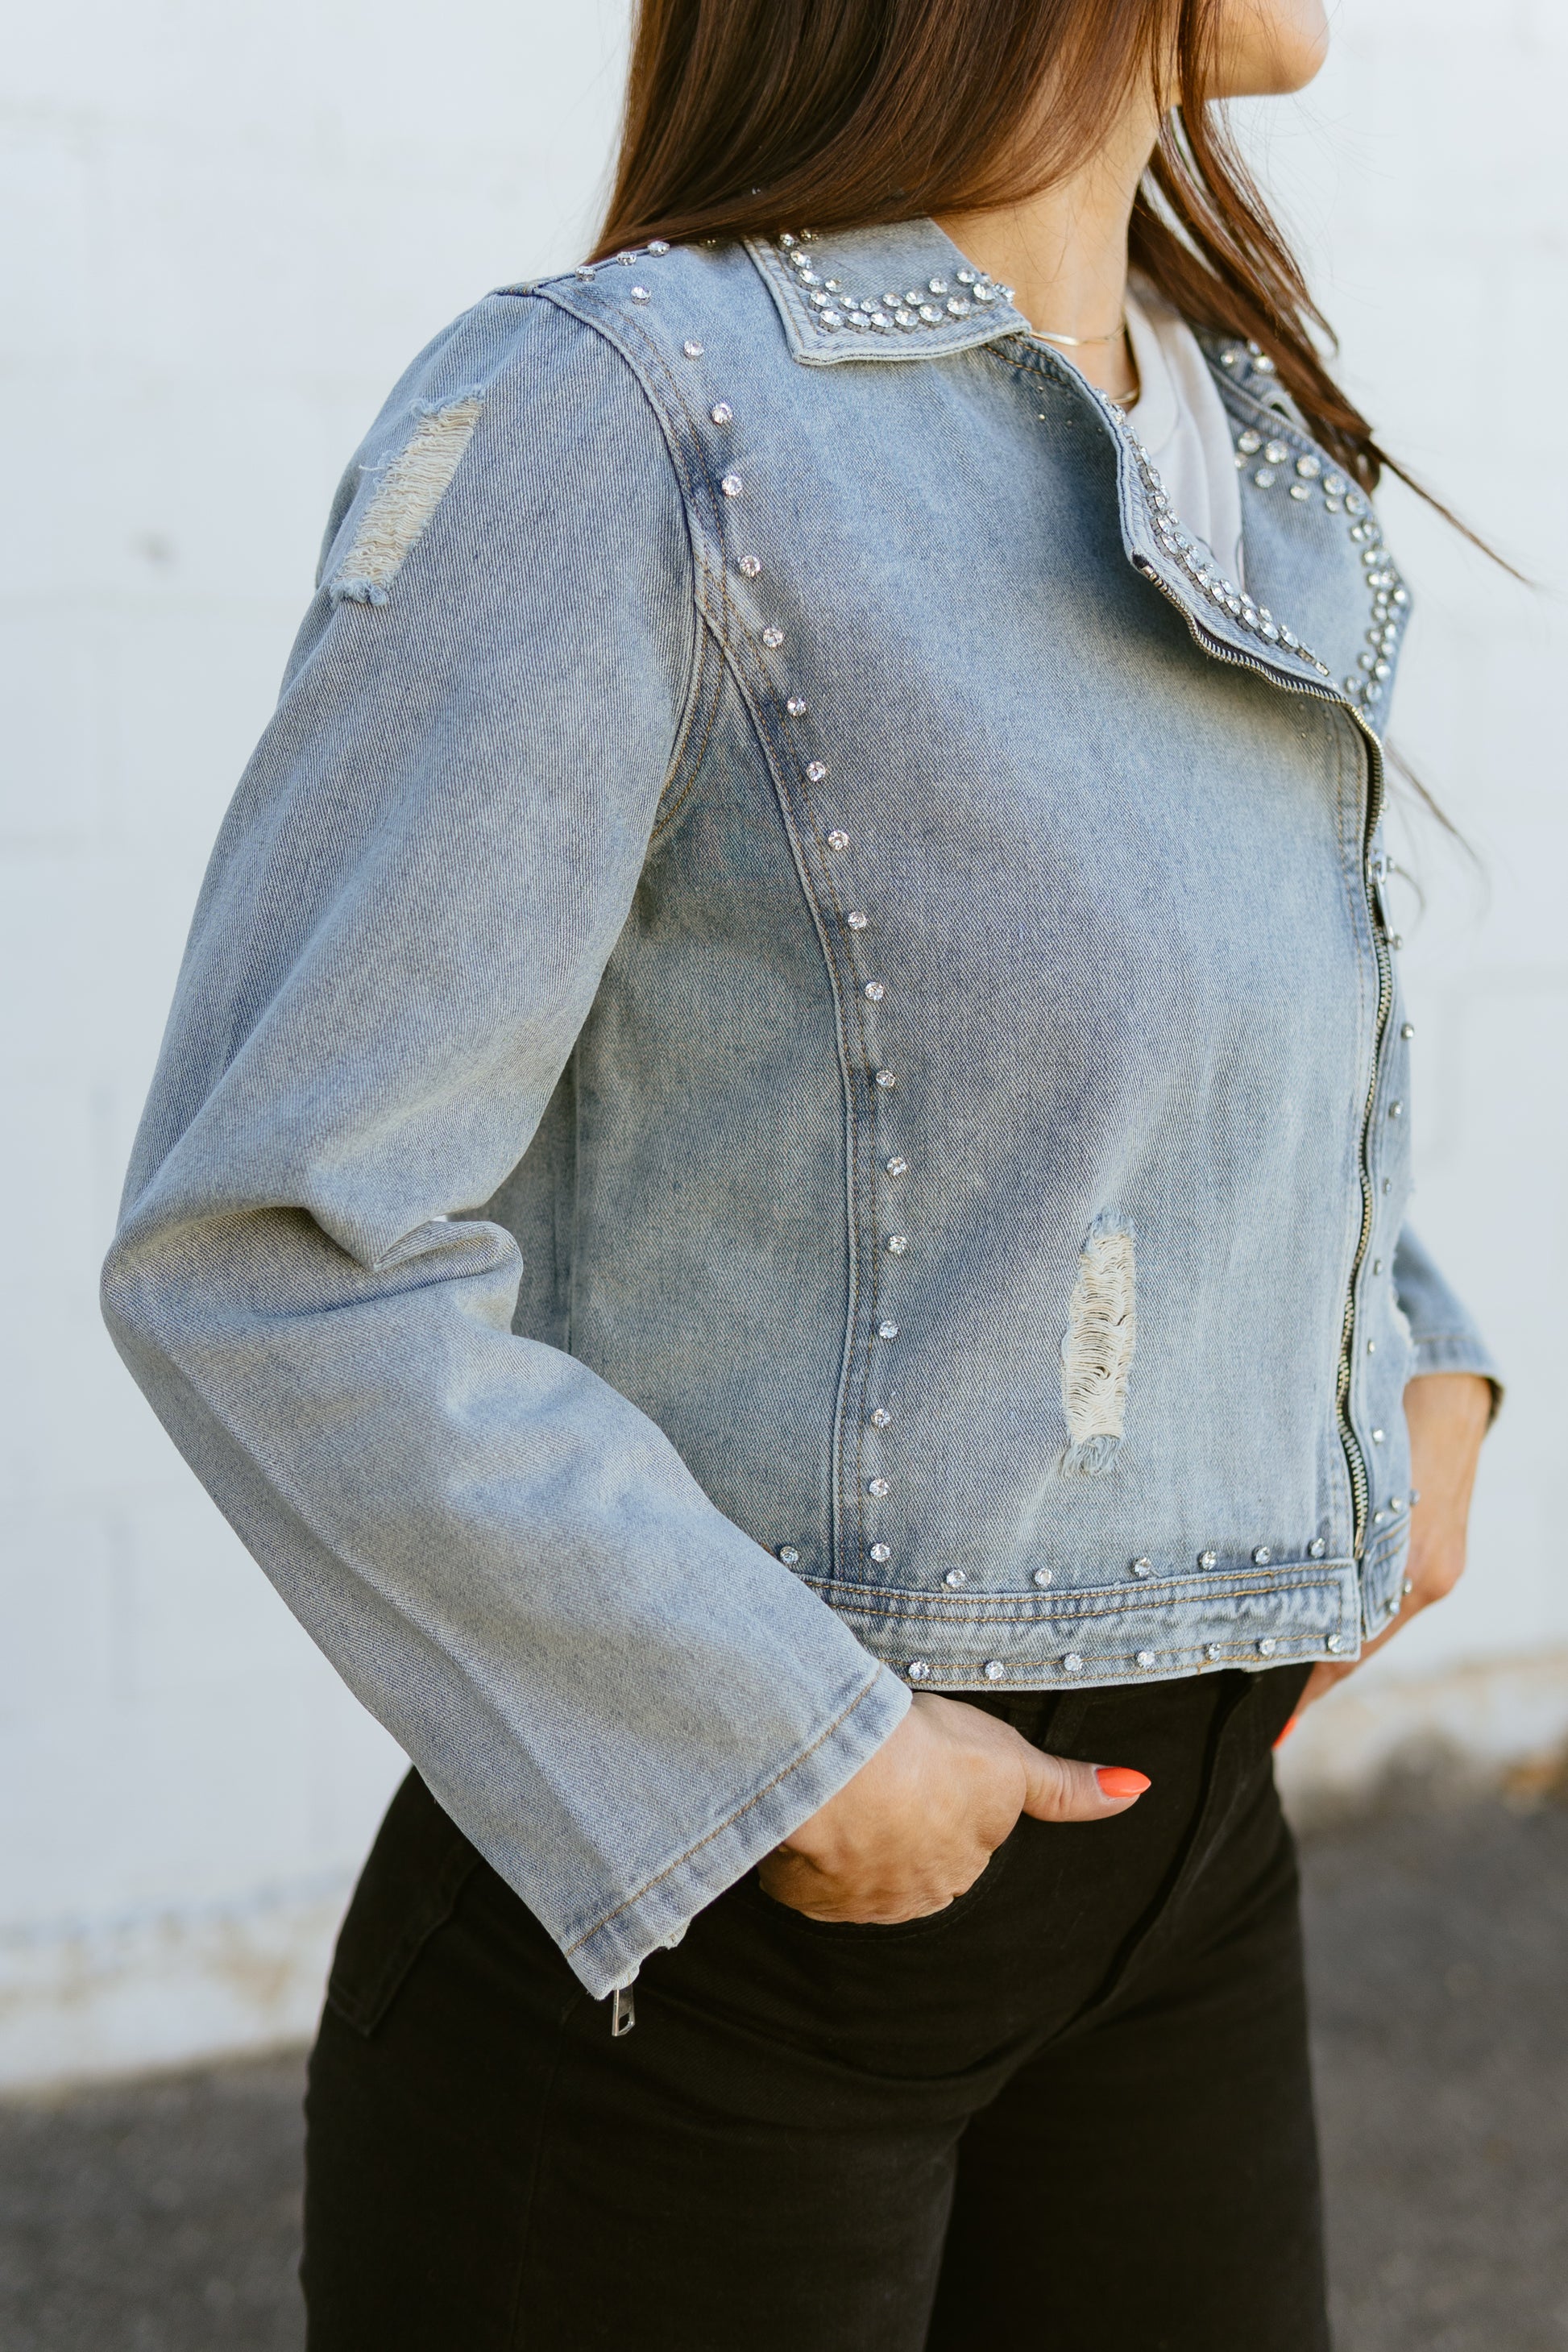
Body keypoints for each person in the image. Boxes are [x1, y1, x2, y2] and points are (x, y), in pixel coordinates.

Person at [102, 0, 1501, 2342]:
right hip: (737, 1923)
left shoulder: (1235, 429)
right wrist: (789, 1751)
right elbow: (279, 1242)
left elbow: (1116, 1063)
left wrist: (1408, 1361)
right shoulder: (632, 413)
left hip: (1176, 1895)